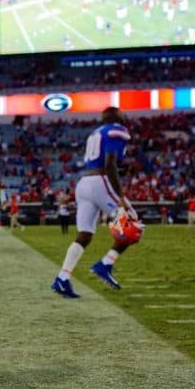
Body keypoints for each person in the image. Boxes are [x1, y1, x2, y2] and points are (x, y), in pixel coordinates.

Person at [52, 107, 139, 299]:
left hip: (84, 184)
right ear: (117, 117)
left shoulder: (96, 132)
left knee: (84, 235)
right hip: (100, 181)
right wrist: (121, 196)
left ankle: (62, 278)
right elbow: (110, 164)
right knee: (134, 225)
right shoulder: (118, 129)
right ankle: (106, 264)